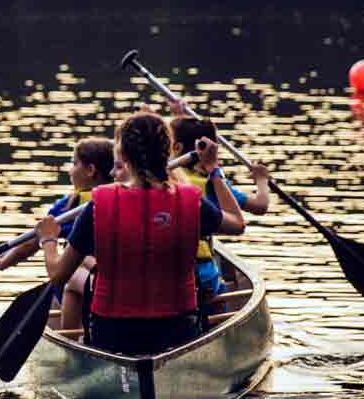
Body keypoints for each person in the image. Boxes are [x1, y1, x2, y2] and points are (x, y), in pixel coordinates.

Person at [34, 111, 245, 355]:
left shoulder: (99, 203)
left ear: (122, 155)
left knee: (75, 282)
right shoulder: (190, 201)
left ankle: (75, 358)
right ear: (168, 151)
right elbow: (238, 224)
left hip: (113, 334)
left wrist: (49, 239)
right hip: (177, 330)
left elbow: (57, 276)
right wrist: (213, 169)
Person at [0, 137, 113, 329]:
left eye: (74, 164)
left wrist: (2, 262)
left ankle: (72, 339)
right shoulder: (122, 199)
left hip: (87, 290)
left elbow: (34, 240)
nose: (70, 170)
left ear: (90, 170)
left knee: (70, 278)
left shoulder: (71, 207)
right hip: (112, 291)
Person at [169, 116, 271, 316]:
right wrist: (261, 179)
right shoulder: (214, 182)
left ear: (176, 147)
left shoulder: (168, 177)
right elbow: (260, 205)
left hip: (175, 270)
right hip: (203, 272)